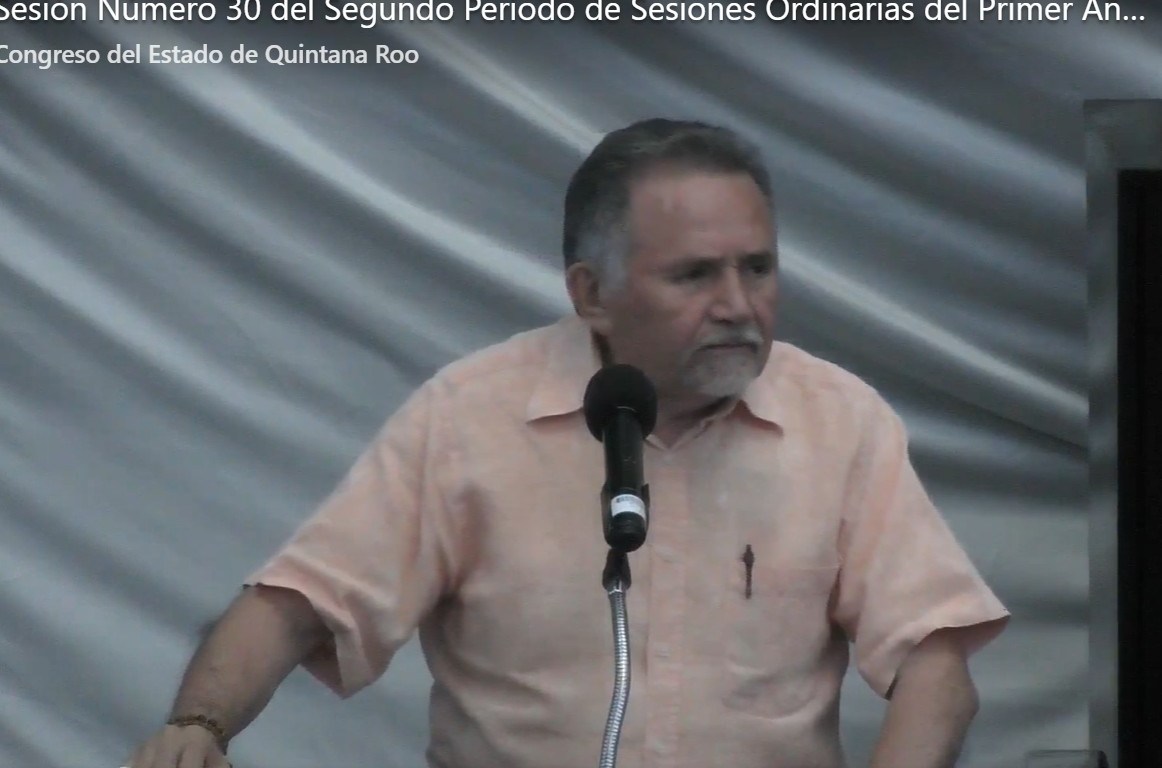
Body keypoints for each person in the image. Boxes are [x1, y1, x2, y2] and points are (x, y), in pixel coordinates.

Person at [125, 118, 1009, 768]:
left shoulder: (840, 422)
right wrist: (198, 727)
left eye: (759, 267)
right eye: (695, 275)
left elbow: (934, 667)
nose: (740, 305)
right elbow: (298, 603)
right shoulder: (470, 416)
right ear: (592, 294)